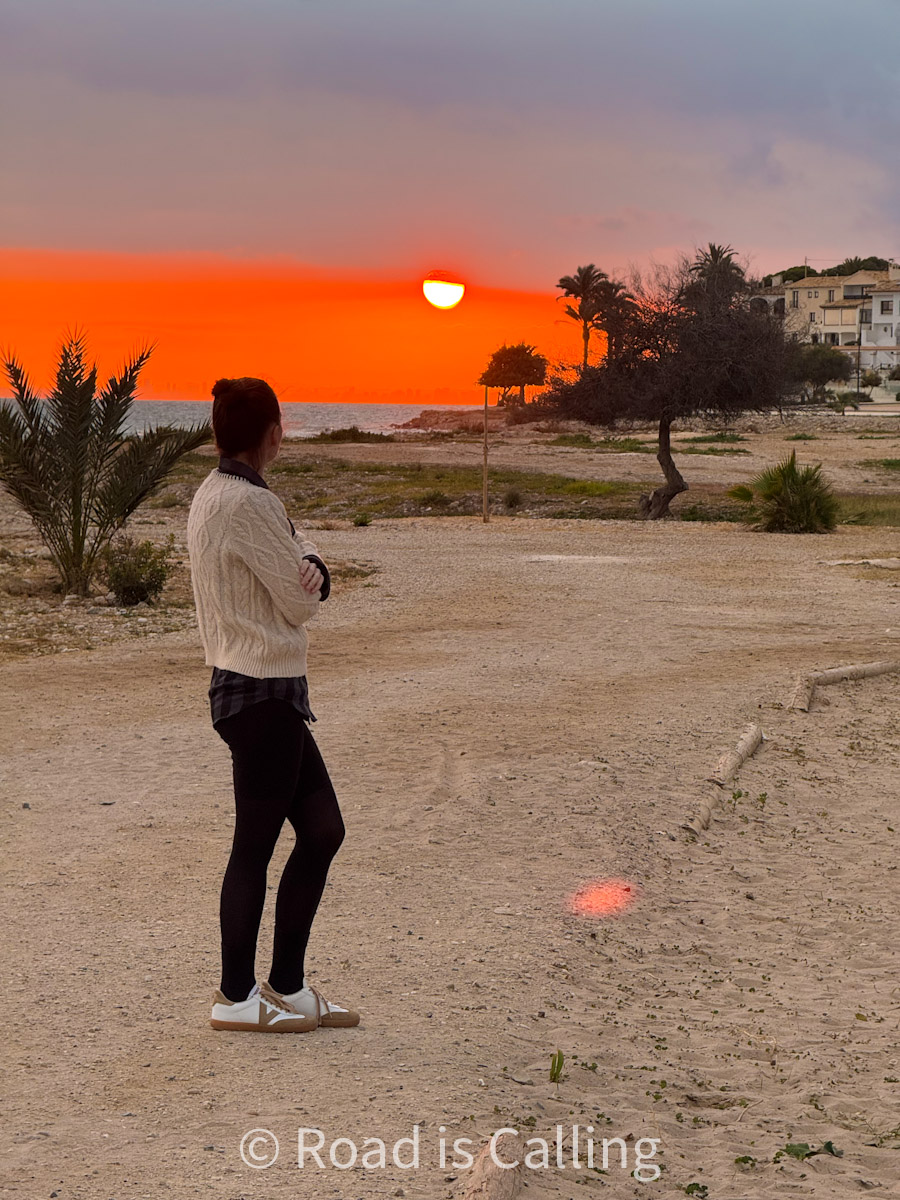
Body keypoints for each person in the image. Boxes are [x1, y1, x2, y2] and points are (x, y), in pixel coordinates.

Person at [186, 376, 359, 1033]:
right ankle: (235, 997)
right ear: (274, 432)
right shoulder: (249, 503)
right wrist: (312, 569)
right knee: (253, 848)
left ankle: (287, 985)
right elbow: (299, 602)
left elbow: (291, 538)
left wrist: (307, 553)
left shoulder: (218, 492)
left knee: (323, 831)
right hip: (260, 692)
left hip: (258, 691)